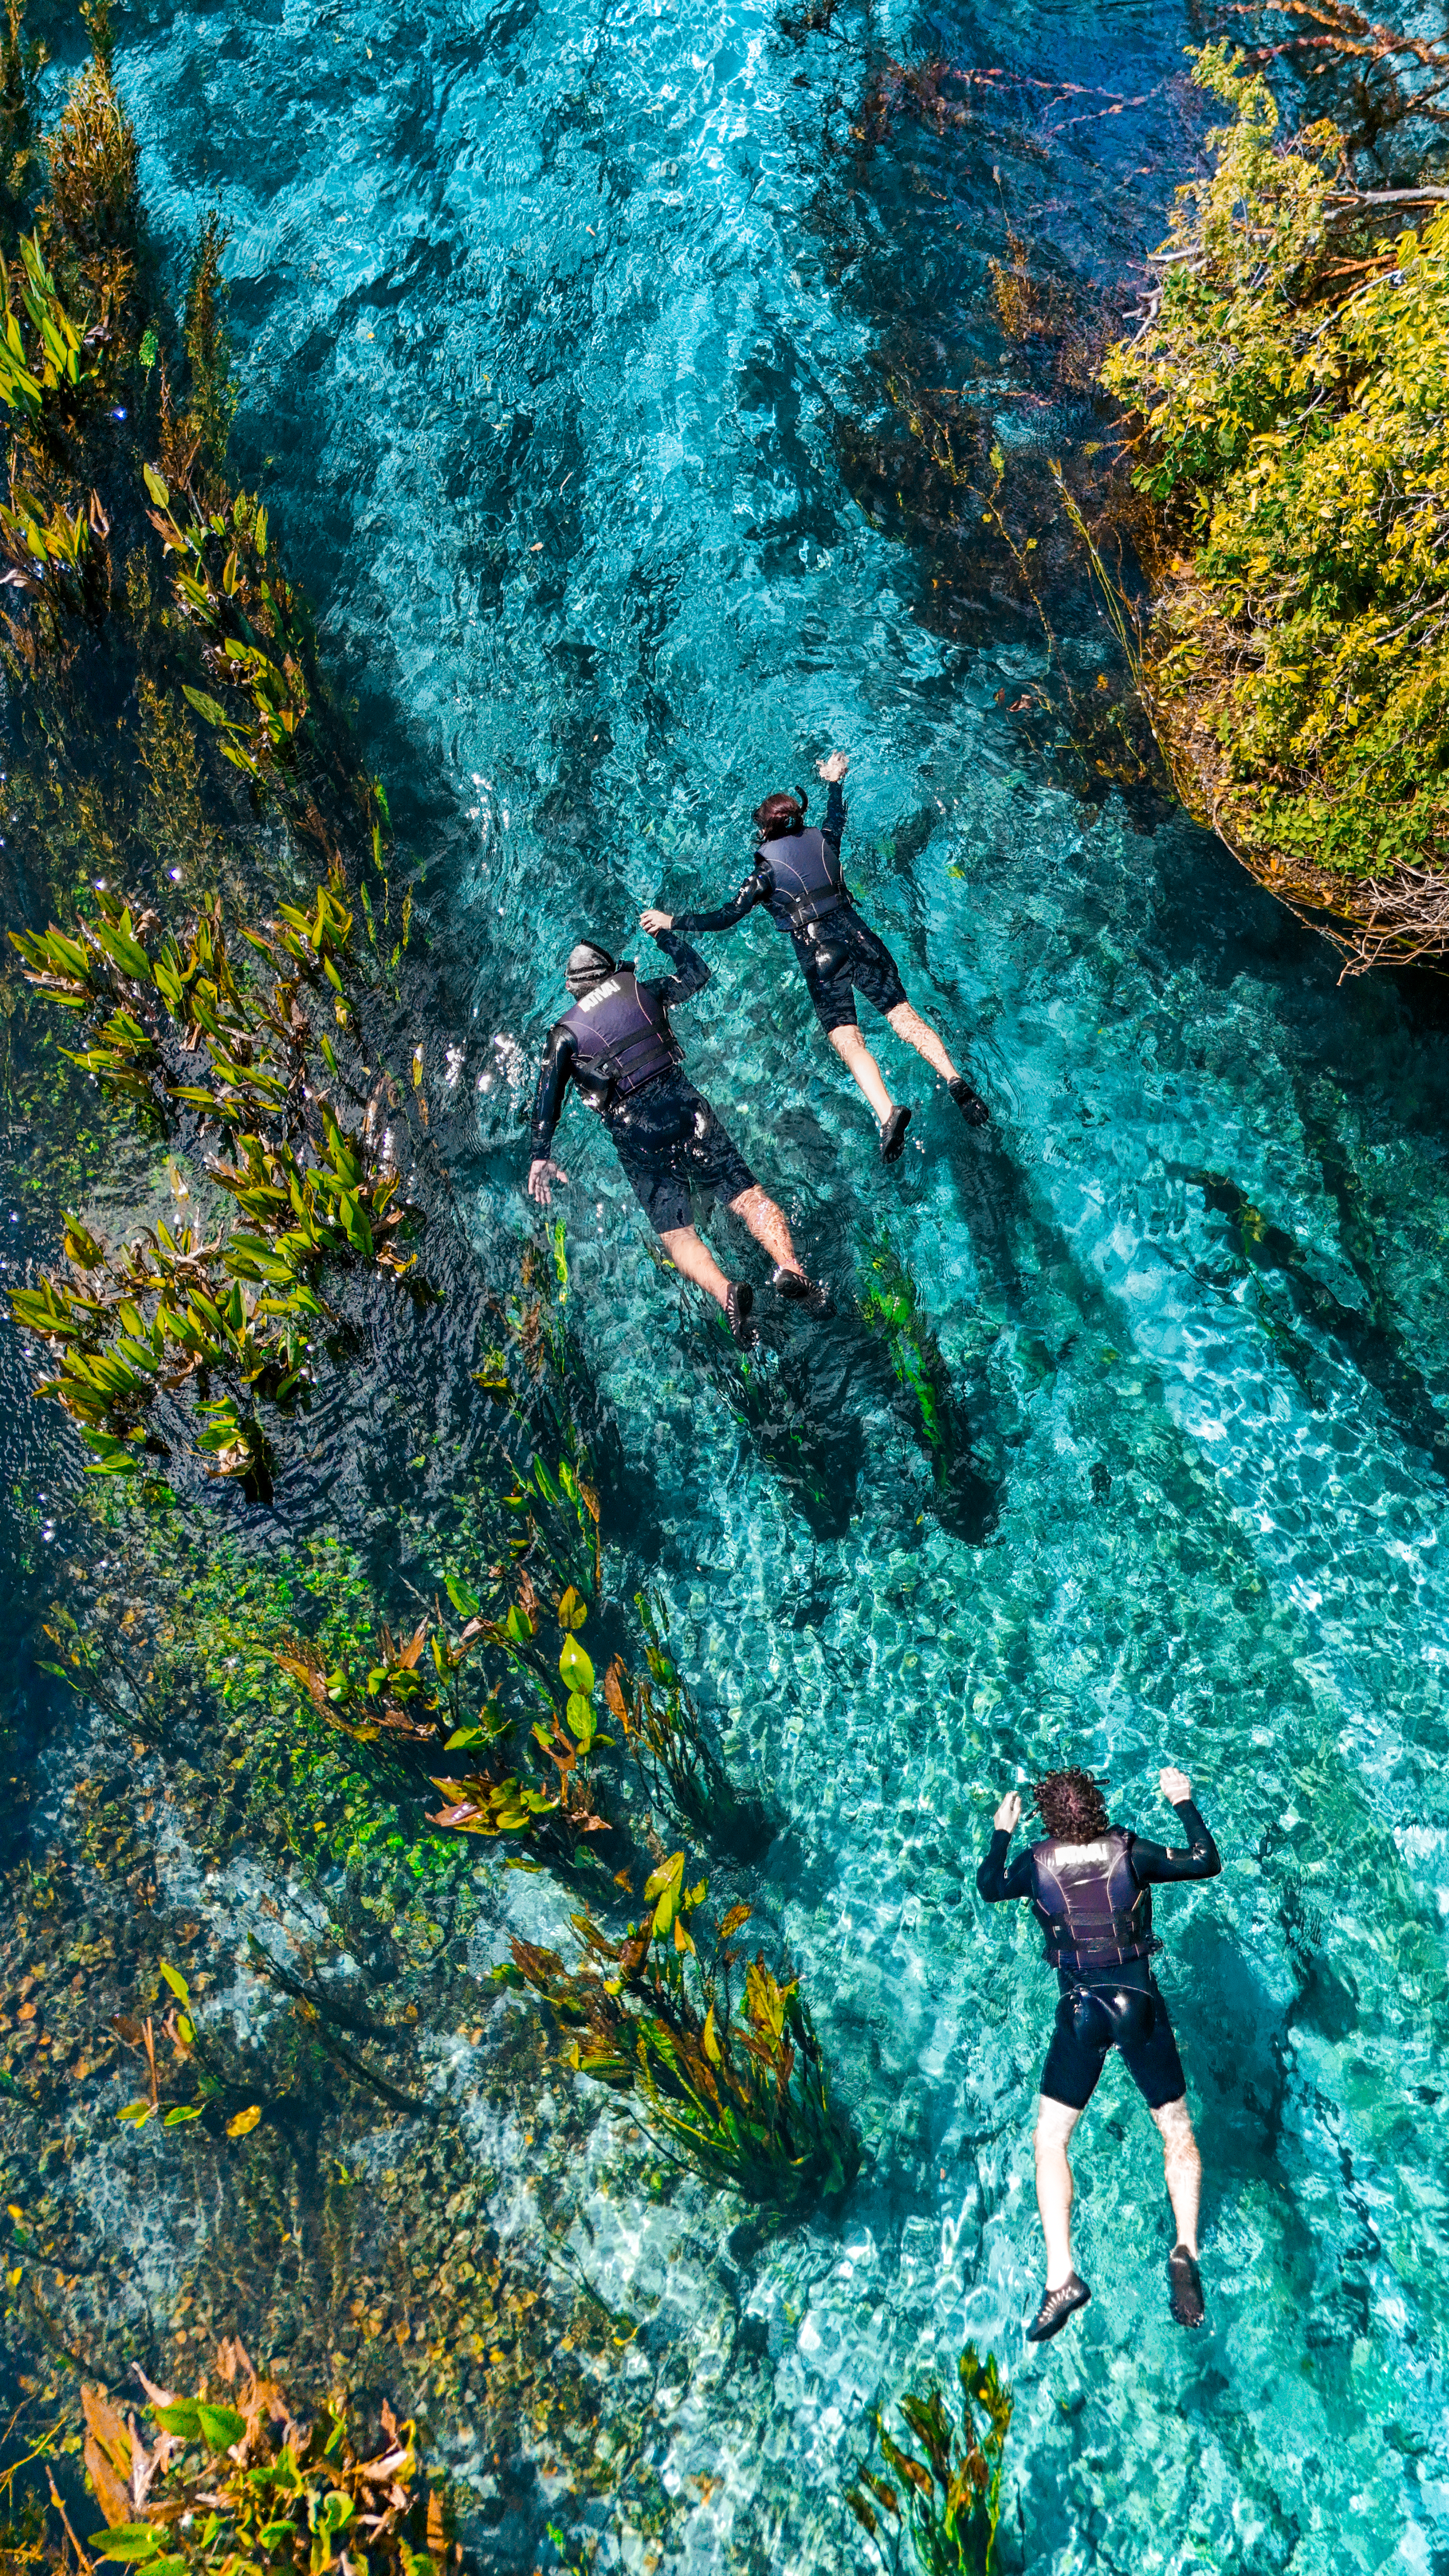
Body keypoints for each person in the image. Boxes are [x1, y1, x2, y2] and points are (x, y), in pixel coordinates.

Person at [640, 752, 989, 1164]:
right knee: (904, 1018)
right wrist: (835, 781)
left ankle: (887, 1112)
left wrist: (673, 920)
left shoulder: (765, 874)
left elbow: (727, 915)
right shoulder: (824, 839)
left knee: (849, 1040)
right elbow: (837, 815)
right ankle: (953, 1077)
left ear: (765, 829)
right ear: (796, 819)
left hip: (822, 957)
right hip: (862, 939)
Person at [976, 1761, 1221, 2342]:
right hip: (1138, 2006)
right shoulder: (1131, 1851)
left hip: (1082, 2014)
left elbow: (989, 1887)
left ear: (1050, 1817)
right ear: (1097, 1805)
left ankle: (1061, 2274)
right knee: (1177, 2132)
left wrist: (1002, 1831)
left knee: (1051, 2140)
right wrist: (1183, 1801)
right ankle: (1185, 2248)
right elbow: (1205, 1860)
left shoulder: (1035, 1866)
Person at [526, 927, 818, 1344]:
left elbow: (546, 1100)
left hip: (636, 1132)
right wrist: (667, 936)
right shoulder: (646, 991)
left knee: (677, 1233)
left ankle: (725, 1292)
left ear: (575, 991)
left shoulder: (564, 1036)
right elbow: (697, 974)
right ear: (612, 975)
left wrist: (542, 1154)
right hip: (686, 1108)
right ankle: (790, 1267)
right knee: (747, 1196)